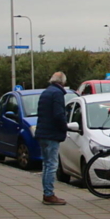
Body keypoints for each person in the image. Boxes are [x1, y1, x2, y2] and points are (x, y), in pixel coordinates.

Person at [36, 71, 69, 205]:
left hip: (42, 132)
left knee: (46, 163)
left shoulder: (46, 92)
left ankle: (47, 193)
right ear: (62, 81)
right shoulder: (57, 94)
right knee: (52, 165)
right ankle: (49, 194)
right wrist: (64, 127)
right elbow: (58, 114)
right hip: (51, 134)